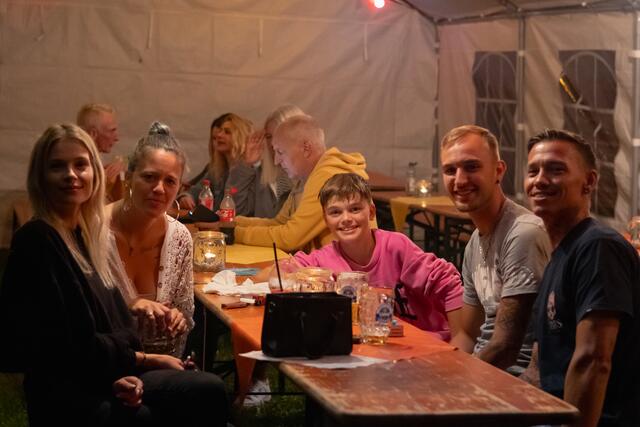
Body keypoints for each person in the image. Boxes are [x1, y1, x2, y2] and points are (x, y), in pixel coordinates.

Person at [0, 123, 228, 427]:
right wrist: (140, 361)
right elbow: (59, 347)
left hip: (104, 372)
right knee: (153, 415)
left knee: (208, 390)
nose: (71, 175)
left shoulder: (83, 235)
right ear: (40, 177)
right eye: (57, 166)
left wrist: (127, 365)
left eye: (80, 165)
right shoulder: (39, 239)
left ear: (95, 173)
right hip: (68, 392)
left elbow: (114, 324)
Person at [524, 129, 640, 426]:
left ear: (589, 181)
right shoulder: (562, 253)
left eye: (556, 170)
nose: (539, 180)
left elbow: (594, 360)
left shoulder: (598, 247)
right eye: (533, 171)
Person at [288, 173, 463, 341]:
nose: (346, 218)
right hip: (370, 347)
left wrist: (460, 340)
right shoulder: (323, 259)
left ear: (371, 212)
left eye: (355, 209)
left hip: (426, 340)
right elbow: (285, 271)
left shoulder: (396, 247)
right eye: (335, 212)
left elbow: (449, 284)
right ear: (325, 220)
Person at [441, 125, 551, 374]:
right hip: (485, 370)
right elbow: (467, 335)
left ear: (498, 171)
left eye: (471, 167)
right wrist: (441, 368)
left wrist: (453, 382)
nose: (460, 180)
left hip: (516, 379)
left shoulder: (523, 233)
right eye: (450, 170)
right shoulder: (474, 243)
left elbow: (506, 347)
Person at [109, 122, 194, 358]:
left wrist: (177, 319)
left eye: (170, 181)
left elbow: (185, 314)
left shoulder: (179, 238)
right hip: (106, 363)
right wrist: (129, 305)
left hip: (164, 361)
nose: (159, 188)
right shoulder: (95, 231)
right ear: (129, 177)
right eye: (149, 177)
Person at [233, 114, 372, 253]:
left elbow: (290, 237)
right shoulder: (306, 178)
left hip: (343, 265)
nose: (276, 161)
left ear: (306, 148)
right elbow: (279, 223)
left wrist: (233, 233)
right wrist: (233, 222)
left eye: (280, 152)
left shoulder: (328, 177)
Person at [226, 105, 302, 218]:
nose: (272, 143)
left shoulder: (312, 174)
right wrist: (245, 165)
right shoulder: (261, 174)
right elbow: (235, 210)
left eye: (279, 135)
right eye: (269, 136)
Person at [178, 113, 252, 213]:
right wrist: (187, 196)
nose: (219, 135)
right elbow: (200, 188)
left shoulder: (249, 171)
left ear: (240, 137)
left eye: (227, 132)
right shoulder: (218, 168)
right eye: (220, 131)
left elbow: (237, 208)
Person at [77, 103, 125, 202]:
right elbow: (80, 207)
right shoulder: (79, 165)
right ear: (93, 133)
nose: (116, 138)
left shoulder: (94, 162)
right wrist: (104, 185)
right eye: (112, 131)